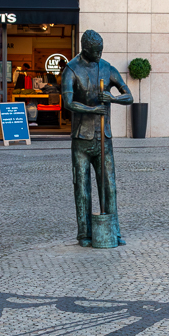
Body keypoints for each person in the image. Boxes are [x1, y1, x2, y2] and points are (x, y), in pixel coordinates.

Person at [61, 30, 134, 247]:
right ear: (85, 50)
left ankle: (113, 230)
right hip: (81, 139)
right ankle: (84, 233)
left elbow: (129, 96)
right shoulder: (71, 69)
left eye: (101, 50)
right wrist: (94, 109)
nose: (100, 54)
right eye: (96, 51)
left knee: (109, 186)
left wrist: (114, 98)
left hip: (104, 138)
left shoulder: (107, 68)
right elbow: (68, 103)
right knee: (82, 188)